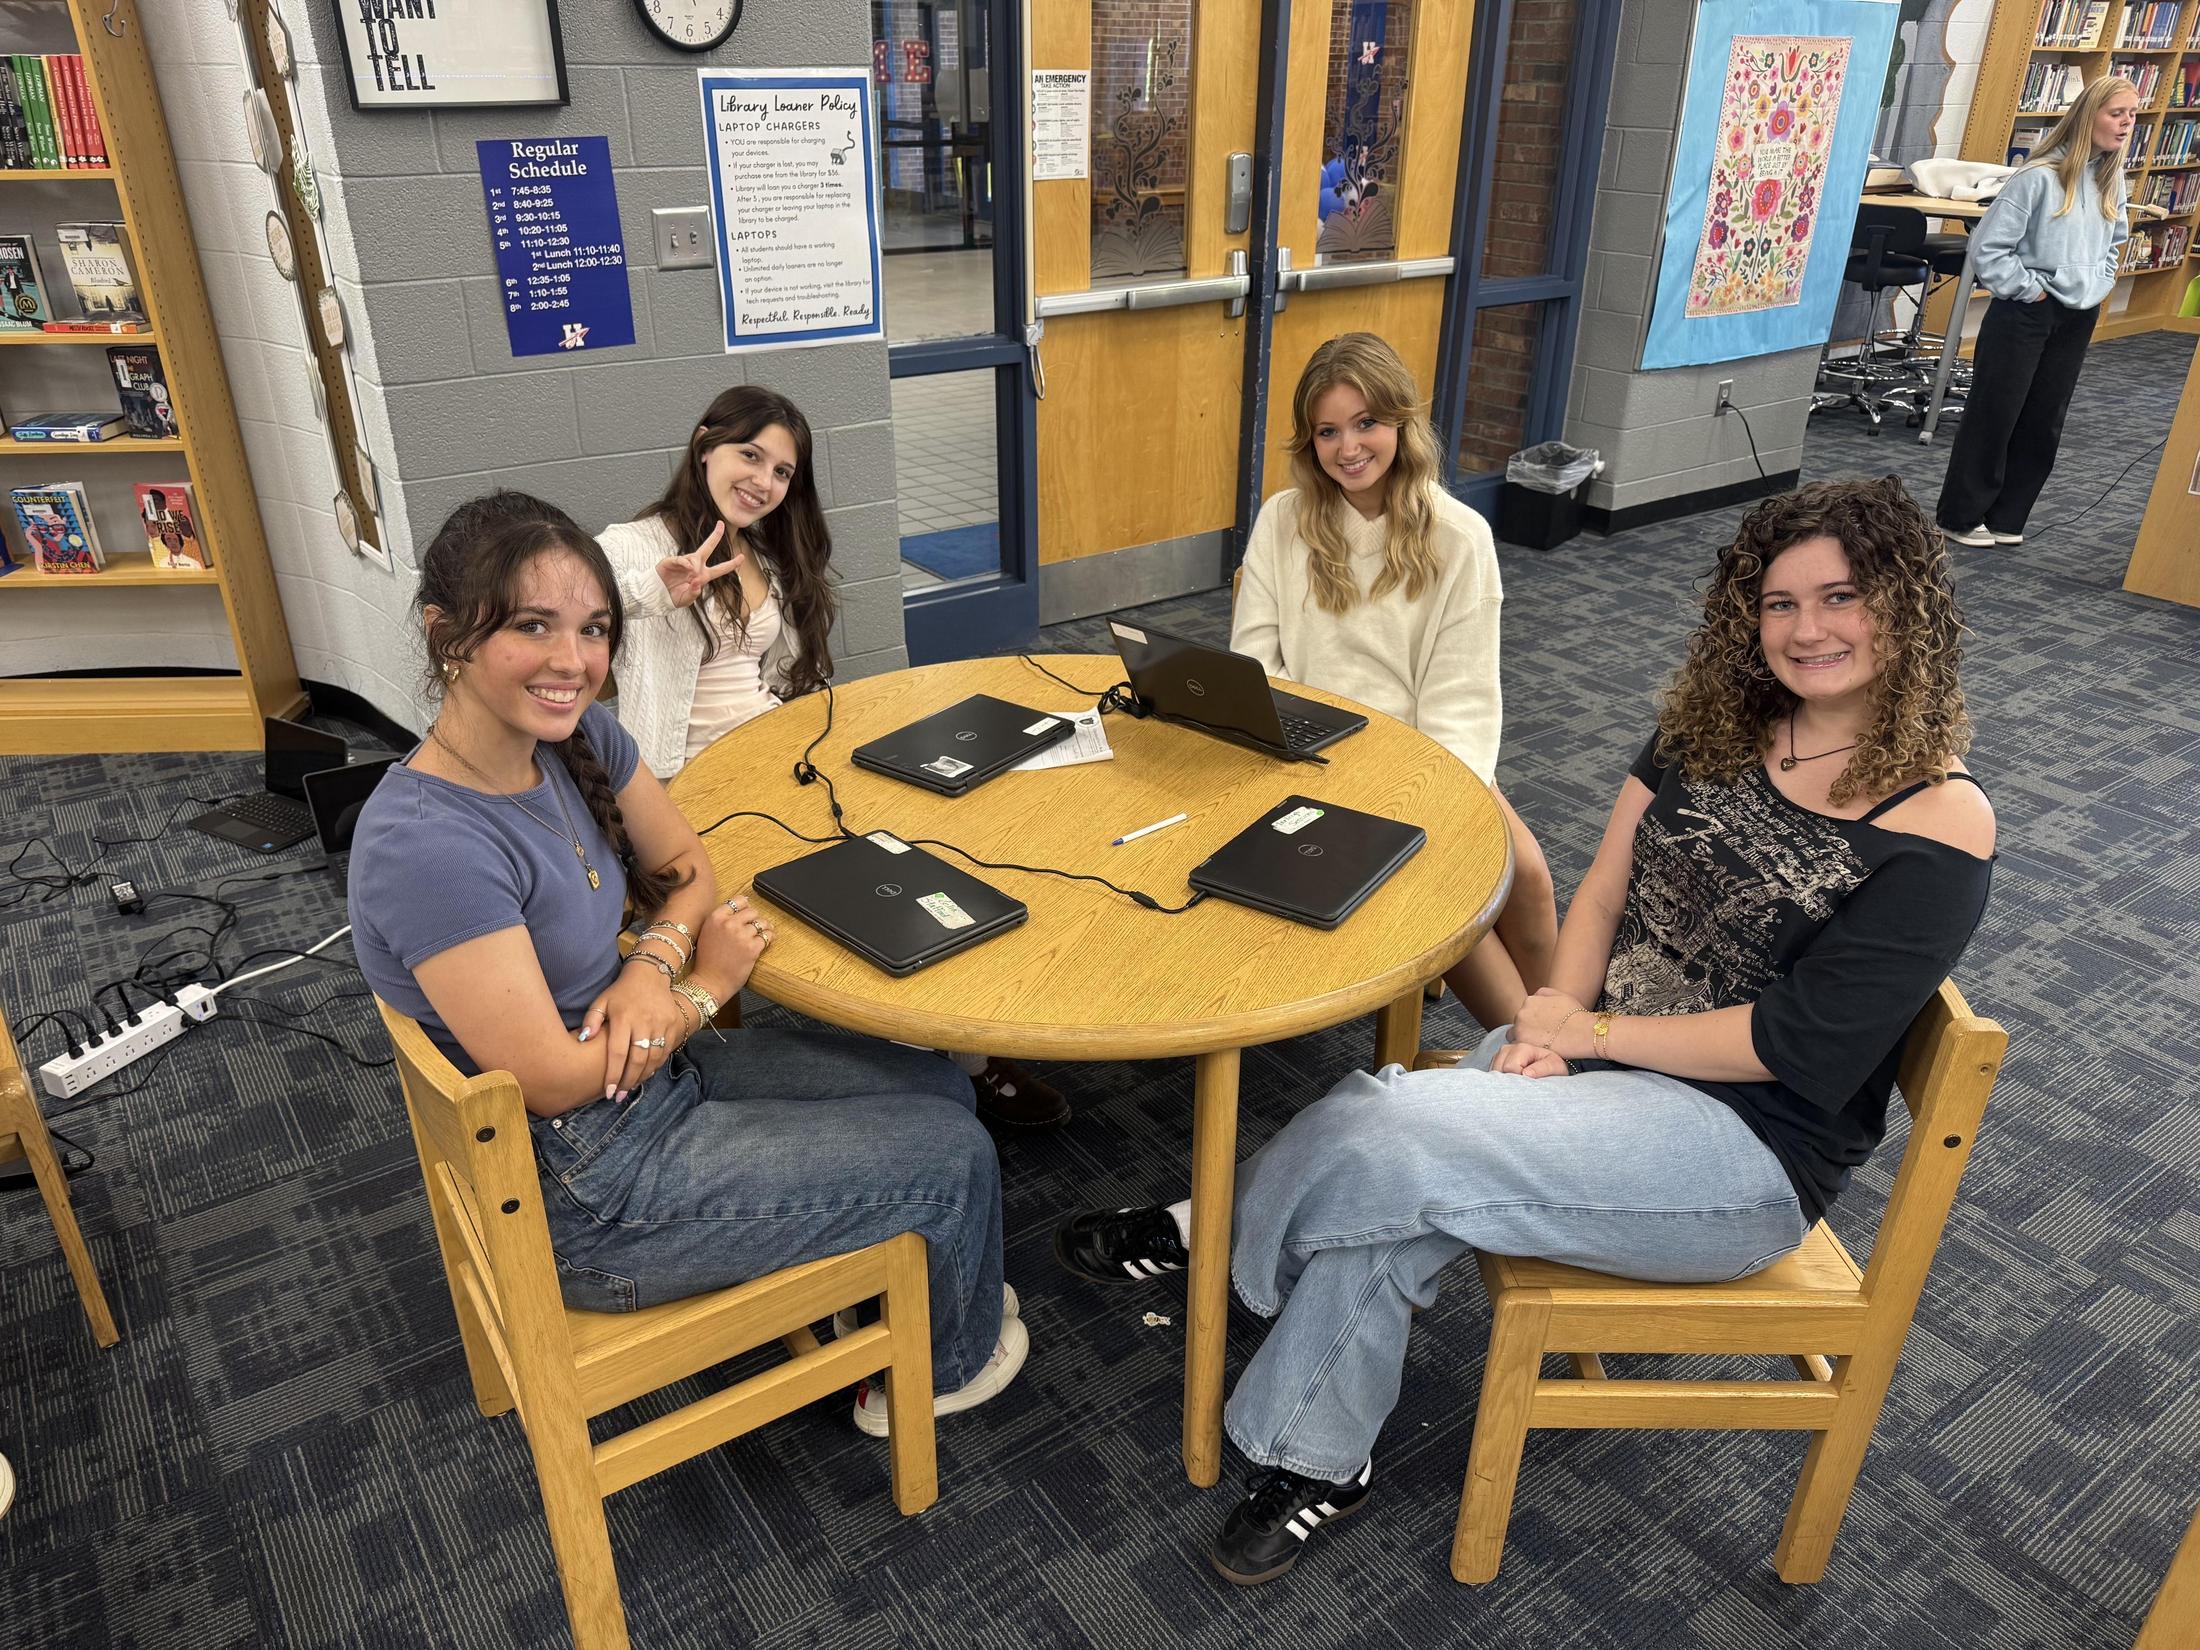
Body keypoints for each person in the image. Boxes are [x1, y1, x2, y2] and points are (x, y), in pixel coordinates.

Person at [1056, 477, 1995, 1585]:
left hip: (1741, 1153)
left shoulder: (1941, 823)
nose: (1806, 630)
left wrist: (1590, 1033)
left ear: (1902, 606)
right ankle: (1318, 1456)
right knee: (1407, 1174)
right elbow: (1603, 891)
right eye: (1779, 604)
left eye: (1839, 598)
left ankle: (1212, 1236)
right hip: (1599, 1055)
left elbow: (1790, 1046)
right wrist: (1552, 1023)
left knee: (1394, 1125)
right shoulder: (1718, 727)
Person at [349, 490, 1027, 1438]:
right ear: (446, 636)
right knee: (954, 1159)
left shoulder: (573, 739)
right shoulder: (428, 846)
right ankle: (938, 1370)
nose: (573, 662)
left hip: (644, 1079)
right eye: (532, 627)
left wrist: (648, 969)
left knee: (941, 1087)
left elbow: (690, 870)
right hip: (588, 1187)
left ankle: (880, 1274)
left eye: (593, 629)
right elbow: (553, 1081)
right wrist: (702, 988)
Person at [598, 387, 1070, 1130]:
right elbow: (581, 616)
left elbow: (767, 677)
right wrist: (657, 591)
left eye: (782, 472)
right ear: (705, 445)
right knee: (859, 888)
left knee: (915, 848)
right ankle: (942, 1067)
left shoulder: (757, 551)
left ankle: (962, 1049)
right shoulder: (632, 545)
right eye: (750, 455)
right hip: (686, 787)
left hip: (769, 761)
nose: (764, 480)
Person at [1231, 332, 1558, 1030]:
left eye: (1366, 423)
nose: (1348, 447)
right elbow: (1256, 666)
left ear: (1402, 422)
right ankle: (1532, 1052)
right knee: (1447, 889)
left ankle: (1564, 1028)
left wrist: (1428, 797)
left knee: (1528, 874)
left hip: (1424, 754)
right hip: (1311, 751)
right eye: (1328, 431)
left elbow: (1462, 698)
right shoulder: (1283, 520)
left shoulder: (1459, 537)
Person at [1936, 76, 2137, 548]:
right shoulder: (2037, 177)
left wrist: (2100, 283)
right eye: (2116, 114)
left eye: (2132, 114)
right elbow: (1987, 249)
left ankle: (2007, 517)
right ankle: (1960, 517)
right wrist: (2029, 290)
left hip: (2078, 312)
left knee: (2045, 416)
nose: (2126, 123)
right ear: (2088, 116)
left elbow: (2115, 241)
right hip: (2026, 312)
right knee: (1996, 412)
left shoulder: (2110, 178)